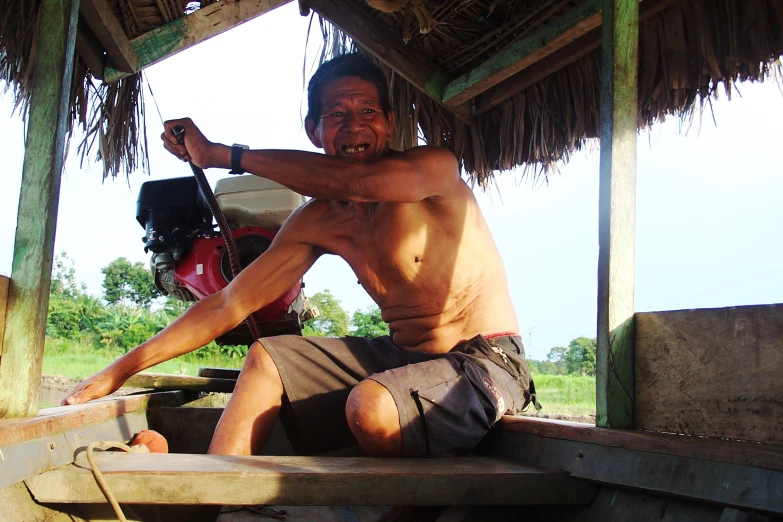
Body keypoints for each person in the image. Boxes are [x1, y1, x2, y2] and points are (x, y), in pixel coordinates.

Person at [63, 53, 535, 459]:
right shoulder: (318, 221)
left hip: (485, 362)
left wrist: (221, 154)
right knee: (266, 356)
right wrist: (119, 370)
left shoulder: (434, 171)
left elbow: (357, 183)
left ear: (390, 124)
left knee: (370, 407)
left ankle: (416, 504)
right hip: (401, 359)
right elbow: (227, 304)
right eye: (336, 115)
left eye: (368, 110)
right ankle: (213, 497)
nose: (354, 125)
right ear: (314, 130)